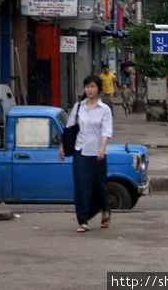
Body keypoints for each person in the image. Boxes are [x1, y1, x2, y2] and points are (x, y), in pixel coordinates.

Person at [59, 74, 112, 232]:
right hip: (80, 151)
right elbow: (70, 128)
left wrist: (102, 147)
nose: (90, 90)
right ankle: (83, 220)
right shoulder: (78, 107)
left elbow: (106, 130)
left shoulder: (105, 110)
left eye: (93, 87)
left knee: (99, 186)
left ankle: (104, 210)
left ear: (98, 89)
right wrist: (63, 145)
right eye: (87, 87)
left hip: (97, 153)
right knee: (81, 186)